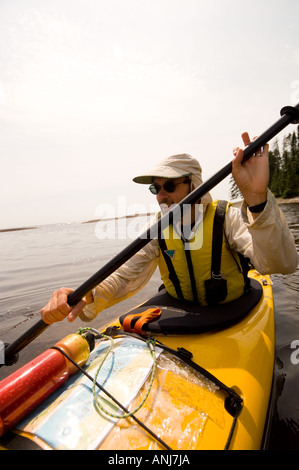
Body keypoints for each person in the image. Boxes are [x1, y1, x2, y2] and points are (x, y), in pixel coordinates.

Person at [40, 132, 298, 324]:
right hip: (182, 310)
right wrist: (85, 295)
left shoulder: (227, 217)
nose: (161, 196)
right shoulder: (158, 229)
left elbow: (281, 264)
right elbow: (124, 276)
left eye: (170, 186)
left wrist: (256, 196)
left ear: (194, 185)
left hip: (232, 311)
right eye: (156, 188)